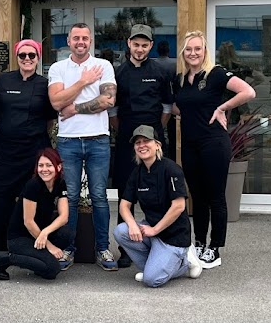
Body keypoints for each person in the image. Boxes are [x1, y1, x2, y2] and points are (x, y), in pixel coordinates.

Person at [173, 30, 256, 269]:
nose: (193, 53)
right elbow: (180, 107)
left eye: (197, 49)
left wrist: (222, 108)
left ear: (204, 51)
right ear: (183, 53)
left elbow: (248, 92)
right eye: (188, 49)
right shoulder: (179, 79)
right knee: (197, 197)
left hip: (214, 143)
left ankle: (215, 247)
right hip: (190, 145)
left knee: (215, 196)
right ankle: (199, 243)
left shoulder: (216, 74)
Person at [47, 22, 118, 271]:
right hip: (68, 141)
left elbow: (108, 99)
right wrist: (84, 81)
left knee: (99, 196)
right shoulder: (58, 68)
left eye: (85, 38)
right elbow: (56, 101)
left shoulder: (104, 66)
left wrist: (74, 106)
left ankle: (102, 249)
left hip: (98, 138)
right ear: (68, 41)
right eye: (76, 38)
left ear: (91, 42)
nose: (80, 42)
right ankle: (68, 249)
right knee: (71, 197)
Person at [110, 24, 174, 268]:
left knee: (159, 191)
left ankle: (160, 239)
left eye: (144, 45)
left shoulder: (160, 71)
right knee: (126, 191)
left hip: (154, 138)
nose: (139, 49)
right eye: (136, 44)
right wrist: (125, 131)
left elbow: (167, 107)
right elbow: (113, 111)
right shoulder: (119, 72)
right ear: (129, 44)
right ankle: (126, 248)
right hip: (127, 138)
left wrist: (155, 131)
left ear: (151, 46)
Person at [113, 125, 202, 287]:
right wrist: (133, 226)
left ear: (158, 145)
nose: (142, 145)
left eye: (146, 141)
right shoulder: (137, 172)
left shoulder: (171, 169)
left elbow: (179, 206)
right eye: (137, 142)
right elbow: (124, 205)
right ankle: (156, 266)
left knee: (152, 280)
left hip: (173, 235)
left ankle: (184, 262)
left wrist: (154, 230)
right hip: (152, 230)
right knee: (121, 231)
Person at [0, 39, 55, 253]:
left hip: (33, 153)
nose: (27, 59)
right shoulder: (2, 80)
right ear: (17, 58)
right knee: (0, 201)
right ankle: (1, 250)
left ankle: (32, 247)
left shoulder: (45, 84)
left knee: (37, 200)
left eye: (31, 55)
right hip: (4, 152)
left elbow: (50, 119)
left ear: (38, 58)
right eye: (22, 55)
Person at [0, 148, 73, 280]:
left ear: (58, 167)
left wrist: (44, 233)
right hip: (20, 238)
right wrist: (50, 247)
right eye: (41, 165)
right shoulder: (33, 185)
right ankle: (5, 258)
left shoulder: (60, 183)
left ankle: (39, 260)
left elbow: (64, 217)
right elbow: (28, 221)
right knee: (52, 270)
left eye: (49, 165)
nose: (44, 169)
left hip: (39, 234)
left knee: (66, 233)